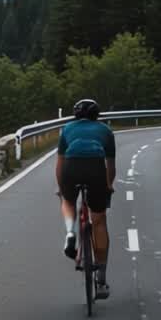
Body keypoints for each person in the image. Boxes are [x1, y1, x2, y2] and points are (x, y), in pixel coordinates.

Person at [56, 98, 115, 299]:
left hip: (71, 168)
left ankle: (70, 233)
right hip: (95, 169)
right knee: (99, 221)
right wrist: (108, 186)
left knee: (68, 200)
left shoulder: (67, 129)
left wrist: (61, 188)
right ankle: (101, 280)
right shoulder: (105, 131)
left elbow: (60, 164)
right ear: (96, 115)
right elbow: (110, 166)